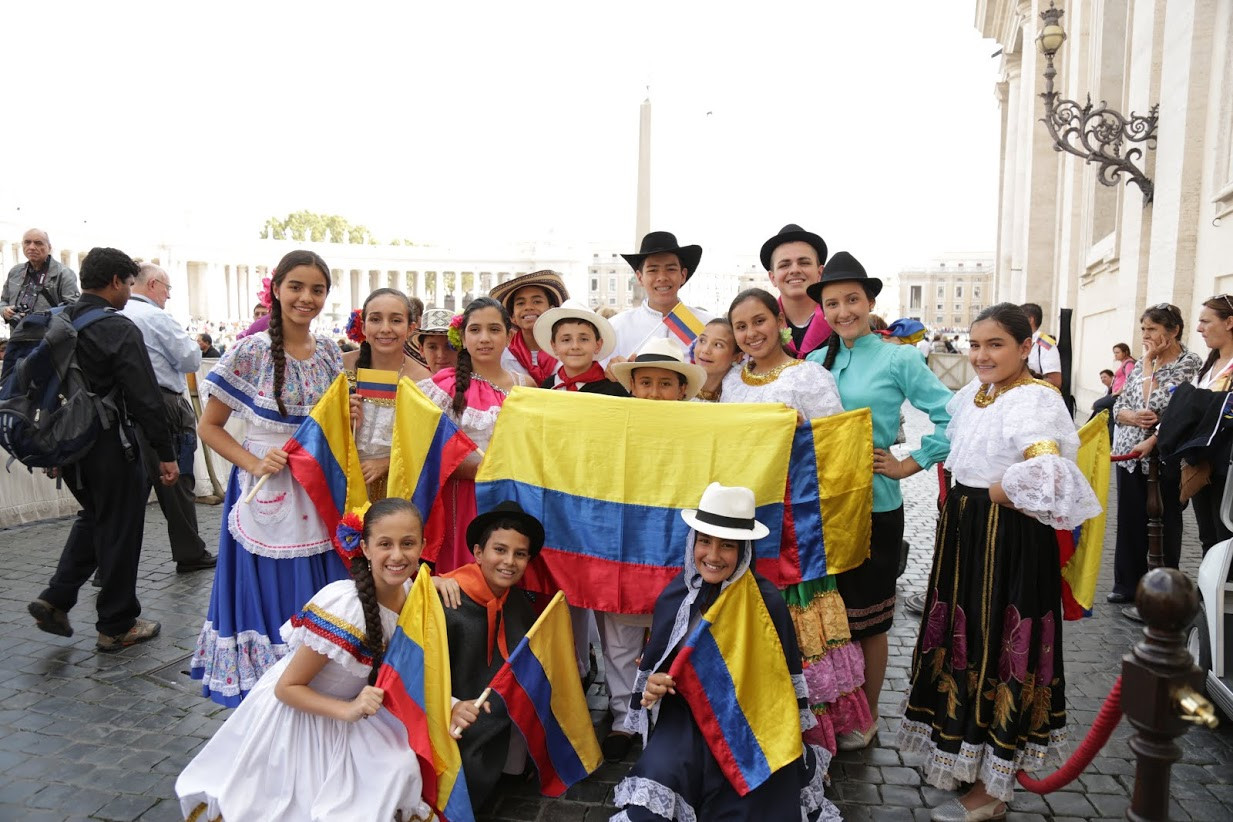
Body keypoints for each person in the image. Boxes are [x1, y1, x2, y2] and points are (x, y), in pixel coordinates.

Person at [898, 303, 1101, 821]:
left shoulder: (1033, 399)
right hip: (968, 533)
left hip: (1004, 538)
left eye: (995, 345)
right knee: (964, 639)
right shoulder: (976, 394)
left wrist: (994, 490)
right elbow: (951, 438)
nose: (982, 355)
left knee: (996, 646)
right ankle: (965, 751)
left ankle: (994, 786)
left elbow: (1050, 474)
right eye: (975, 344)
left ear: (1024, 347)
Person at [177, 498, 432, 821]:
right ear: (365, 548)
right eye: (385, 544)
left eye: (407, 544)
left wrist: (449, 704)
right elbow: (287, 687)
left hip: (359, 712)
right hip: (303, 716)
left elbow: (409, 670)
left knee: (397, 767)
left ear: (423, 544)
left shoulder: (410, 592)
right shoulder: (345, 608)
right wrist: (347, 709)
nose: (397, 555)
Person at [612, 483, 836, 822]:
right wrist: (655, 684)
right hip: (685, 714)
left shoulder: (767, 603)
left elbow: (779, 687)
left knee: (758, 799)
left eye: (727, 546)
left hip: (751, 718)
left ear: (744, 550)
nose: (713, 555)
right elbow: (660, 668)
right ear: (692, 542)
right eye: (705, 541)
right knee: (655, 799)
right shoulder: (678, 596)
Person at [806, 252, 953, 751]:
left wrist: (911, 462)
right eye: (833, 303)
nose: (844, 311)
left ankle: (863, 719)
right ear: (821, 310)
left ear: (871, 303)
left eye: (852, 300)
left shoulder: (899, 358)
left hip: (875, 507)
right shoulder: (810, 364)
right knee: (828, 618)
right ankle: (830, 711)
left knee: (869, 621)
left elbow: (950, 415)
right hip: (821, 510)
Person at [191, 250, 348, 707]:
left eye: (316, 290)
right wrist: (254, 462)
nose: (306, 298)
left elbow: (330, 428)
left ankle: (311, 679)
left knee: (318, 580)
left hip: (315, 485)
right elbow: (209, 426)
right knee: (273, 582)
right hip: (269, 487)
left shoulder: (329, 354)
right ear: (276, 289)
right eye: (296, 287)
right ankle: (270, 687)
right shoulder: (252, 350)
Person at [719, 288, 870, 752]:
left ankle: (812, 724)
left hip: (795, 525)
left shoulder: (809, 377)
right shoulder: (731, 380)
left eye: (759, 321)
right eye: (741, 327)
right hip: (745, 516)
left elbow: (836, 446)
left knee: (794, 612)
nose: (751, 334)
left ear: (778, 319)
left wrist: (797, 436)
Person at [25, 248, 179, 652]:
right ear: (115, 281)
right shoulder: (118, 329)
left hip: (69, 445)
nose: (129, 293)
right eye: (128, 284)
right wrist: (165, 452)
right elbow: (145, 397)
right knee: (120, 530)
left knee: (95, 518)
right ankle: (116, 624)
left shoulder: (60, 321)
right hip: (113, 445)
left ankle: (56, 599)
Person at [600, 338, 708, 761]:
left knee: (681, 628)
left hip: (679, 544)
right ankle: (623, 716)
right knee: (621, 633)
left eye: (665, 383)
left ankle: (673, 712)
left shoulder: (704, 427)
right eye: (645, 382)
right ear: (632, 387)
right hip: (625, 544)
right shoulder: (613, 425)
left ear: (682, 389)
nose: (654, 392)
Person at [437, 501, 543, 809]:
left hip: (496, 715)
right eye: (500, 550)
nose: (509, 562)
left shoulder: (518, 602)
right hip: (452, 718)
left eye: (520, 554)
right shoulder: (447, 600)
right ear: (478, 552)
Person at [417, 297, 531, 574]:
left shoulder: (525, 385)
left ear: (509, 335)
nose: (484, 338)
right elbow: (422, 449)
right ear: (463, 336)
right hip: (459, 495)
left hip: (511, 493)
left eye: (494, 329)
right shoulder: (440, 387)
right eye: (475, 330)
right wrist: (471, 469)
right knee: (463, 568)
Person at [120, 263, 215, 573]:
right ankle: (189, 551)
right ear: (153, 285)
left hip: (122, 407)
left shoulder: (118, 314)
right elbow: (189, 358)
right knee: (176, 479)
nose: (168, 296)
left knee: (126, 488)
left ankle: (109, 565)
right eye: (168, 289)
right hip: (164, 402)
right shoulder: (155, 316)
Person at [1108, 303, 1202, 611]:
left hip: (1163, 453)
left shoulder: (1189, 362)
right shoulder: (1138, 363)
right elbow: (1121, 402)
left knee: (1164, 521)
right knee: (1130, 519)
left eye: (1152, 329)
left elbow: (1157, 401)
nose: (1146, 335)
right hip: (1129, 452)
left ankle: (1162, 586)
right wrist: (1128, 416)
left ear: (1173, 330)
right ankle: (1127, 584)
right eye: (1144, 329)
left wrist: (1148, 365)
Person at [343, 288, 431, 500]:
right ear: (363, 326)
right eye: (375, 319)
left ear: (411, 328)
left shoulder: (423, 381)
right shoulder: (339, 366)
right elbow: (317, 427)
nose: (385, 329)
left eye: (396, 320)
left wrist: (387, 463)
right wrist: (341, 416)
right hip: (343, 480)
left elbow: (427, 444)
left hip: (397, 490)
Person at [609, 232, 714, 359]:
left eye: (671, 269)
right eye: (653, 270)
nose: (662, 277)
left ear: (683, 275)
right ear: (640, 277)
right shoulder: (616, 328)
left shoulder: (707, 326)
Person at [759, 224, 832, 357]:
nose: (795, 270)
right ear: (772, 277)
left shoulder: (840, 322)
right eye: (784, 265)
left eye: (804, 262)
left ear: (820, 272)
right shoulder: (759, 329)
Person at [488, 270, 569, 383]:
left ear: (551, 309)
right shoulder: (501, 358)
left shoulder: (569, 351)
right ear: (512, 317)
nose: (528, 307)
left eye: (537, 301)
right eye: (521, 303)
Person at [533, 302, 627, 395]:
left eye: (584, 339)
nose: (575, 346)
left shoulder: (614, 390)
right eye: (566, 340)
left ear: (598, 345)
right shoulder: (548, 386)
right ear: (554, 346)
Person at [2, 228, 80, 327]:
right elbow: (4, 301)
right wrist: (4, 311)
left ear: (49, 247)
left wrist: (42, 317)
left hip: (49, 337)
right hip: (18, 336)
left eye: (38, 243)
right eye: (27, 242)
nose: (32, 247)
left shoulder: (63, 273)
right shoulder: (15, 272)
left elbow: (72, 308)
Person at [692, 318, 742, 402]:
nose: (705, 350)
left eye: (718, 345)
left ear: (737, 357)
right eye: (702, 340)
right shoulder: (676, 390)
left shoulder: (741, 398)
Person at [1020, 302, 1062, 388]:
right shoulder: (1018, 342)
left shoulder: (1045, 343)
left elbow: (1055, 381)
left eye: (1018, 319)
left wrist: (1024, 384)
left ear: (1030, 320)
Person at [416, 307, 460, 374]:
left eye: (448, 346)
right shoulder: (413, 382)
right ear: (421, 350)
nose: (441, 355)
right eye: (432, 347)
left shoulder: (475, 383)